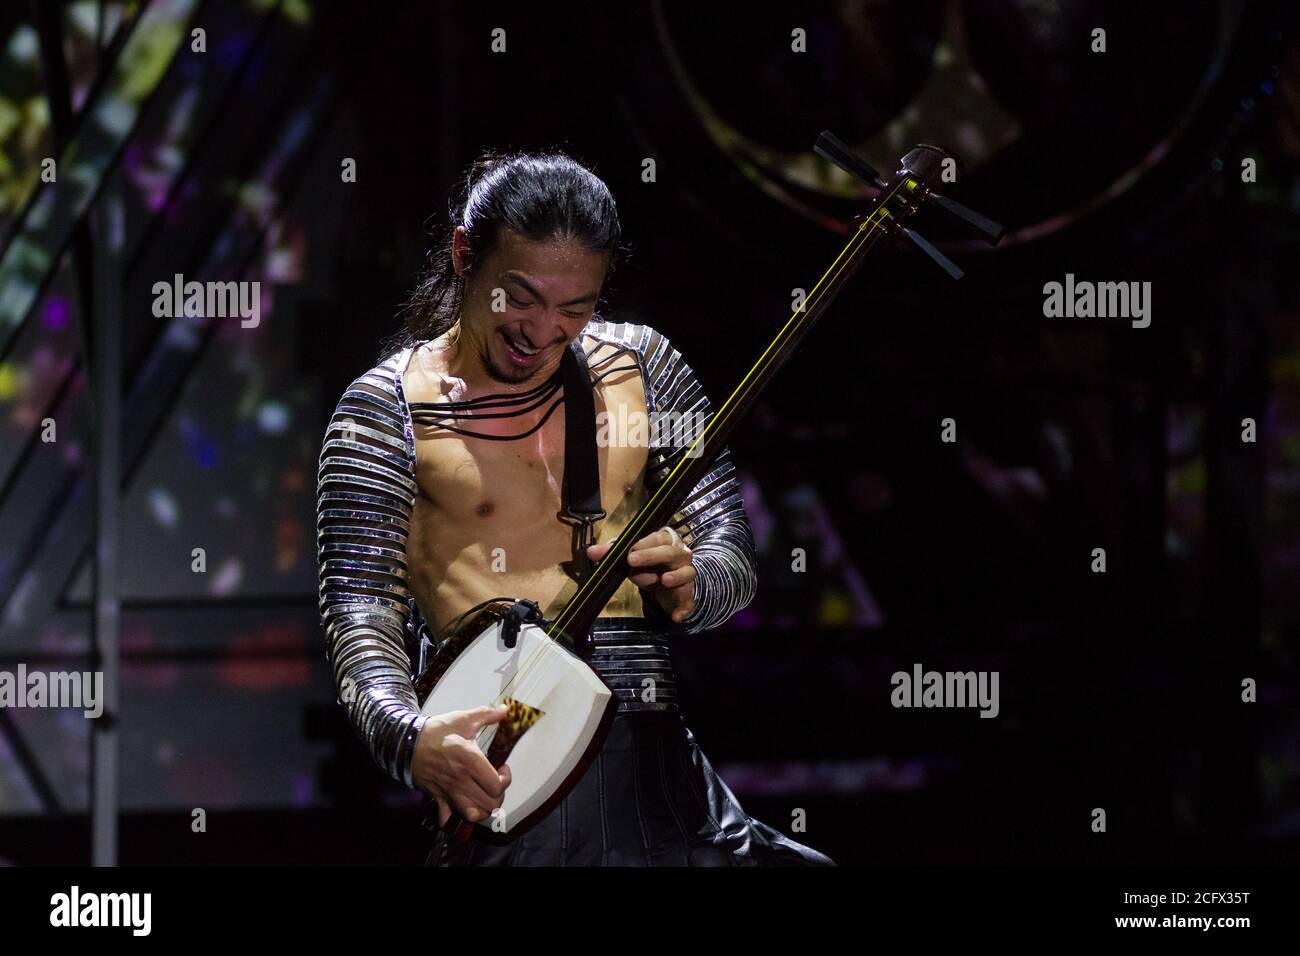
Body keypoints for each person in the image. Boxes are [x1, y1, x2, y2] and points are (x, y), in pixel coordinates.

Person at [317, 150, 835, 866]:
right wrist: (410, 740)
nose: (541, 332)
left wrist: (694, 583)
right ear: (466, 255)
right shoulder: (386, 410)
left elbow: (728, 551)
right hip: (515, 752)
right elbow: (360, 611)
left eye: (574, 308)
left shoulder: (644, 367)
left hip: (657, 755)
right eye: (520, 298)